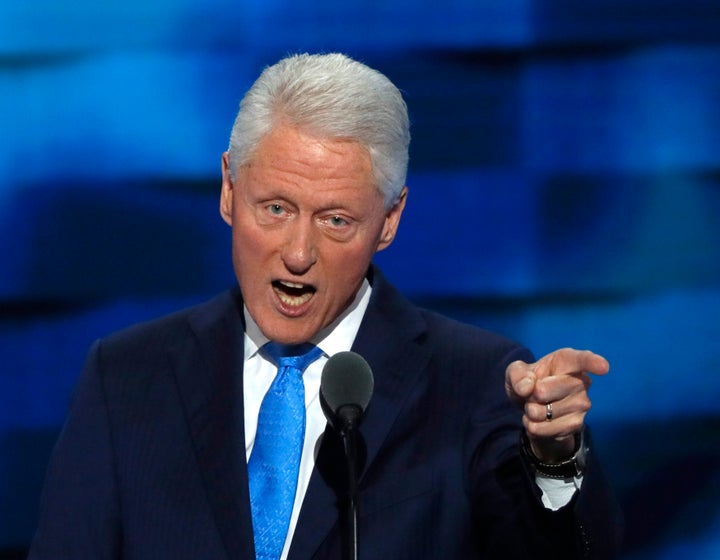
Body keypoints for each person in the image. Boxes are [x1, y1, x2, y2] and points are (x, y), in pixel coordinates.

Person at [29, 53, 622, 559]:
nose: (298, 253)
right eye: (276, 209)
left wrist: (553, 461)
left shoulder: (473, 383)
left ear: (388, 221)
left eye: (336, 220)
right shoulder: (127, 377)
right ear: (229, 191)